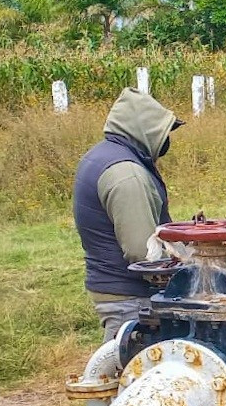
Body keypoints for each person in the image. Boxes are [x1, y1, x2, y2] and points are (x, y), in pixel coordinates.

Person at [74, 88, 183, 341]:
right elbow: (143, 252)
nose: (167, 139)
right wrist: (189, 265)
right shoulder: (127, 175)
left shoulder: (102, 155)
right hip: (130, 298)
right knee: (134, 373)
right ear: (145, 130)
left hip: (112, 285)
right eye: (164, 132)